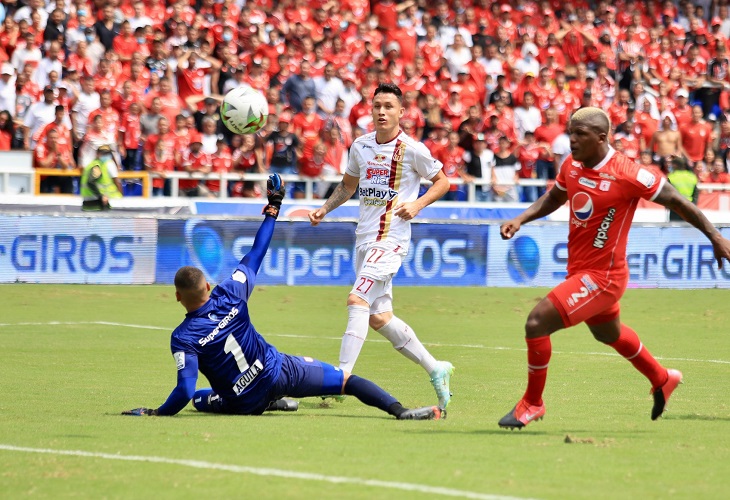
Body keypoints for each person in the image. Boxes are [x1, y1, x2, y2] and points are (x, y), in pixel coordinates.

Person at [122, 175, 443, 421]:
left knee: (199, 399)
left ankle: (270, 402)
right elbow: (257, 251)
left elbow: (184, 390)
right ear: (207, 285)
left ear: (177, 297)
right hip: (280, 372)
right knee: (348, 381)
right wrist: (273, 207)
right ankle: (399, 411)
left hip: (243, 401)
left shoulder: (183, 337)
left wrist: (155, 413)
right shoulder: (230, 292)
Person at [497, 107, 730, 429]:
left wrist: (716, 236)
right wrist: (520, 218)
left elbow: (679, 201)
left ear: (602, 138)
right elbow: (554, 197)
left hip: (604, 277)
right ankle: (662, 378)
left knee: (536, 323)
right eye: (570, 132)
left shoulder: (628, 173)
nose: (572, 139)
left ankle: (532, 404)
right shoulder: (571, 165)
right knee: (608, 333)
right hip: (580, 270)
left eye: (580, 134)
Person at [308, 83, 454, 408]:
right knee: (379, 317)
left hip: (391, 242)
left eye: (389, 106)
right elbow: (348, 186)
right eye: (377, 106)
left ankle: (340, 378)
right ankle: (436, 368)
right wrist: (324, 208)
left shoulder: (412, 149)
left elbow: (443, 181)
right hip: (364, 240)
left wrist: (417, 205)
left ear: (402, 112)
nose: (382, 112)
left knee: (356, 298)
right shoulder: (359, 146)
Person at [81, 144, 123, 211]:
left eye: (108, 153)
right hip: (97, 203)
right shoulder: (98, 166)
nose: (106, 156)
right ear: (97, 154)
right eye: (103, 153)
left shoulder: (92, 164)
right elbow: (90, 182)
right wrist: (101, 196)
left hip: (91, 203)